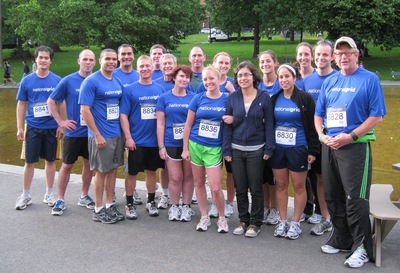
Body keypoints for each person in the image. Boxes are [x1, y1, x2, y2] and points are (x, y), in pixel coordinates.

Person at [315, 36, 386, 268]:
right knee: (332, 195)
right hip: (331, 146)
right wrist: (321, 135)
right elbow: (319, 114)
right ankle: (342, 238)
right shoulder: (331, 81)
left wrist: (352, 136)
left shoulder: (369, 79)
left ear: (357, 55)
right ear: (335, 58)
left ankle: (362, 247)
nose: (344, 57)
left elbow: (377, 116)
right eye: (340, 53)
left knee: (355, 199)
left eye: (349, 53)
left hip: (355, 147)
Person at [222, 61, 275, 237]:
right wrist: (226, 150)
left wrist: (269, 148)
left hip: (257, 149)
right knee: (240, 187)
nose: (243, 78)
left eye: (247, 74)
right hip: (236, 149)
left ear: (254, 77)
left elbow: (269, 125)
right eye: (240, 75)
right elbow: (227, 124)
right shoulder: (233, 98)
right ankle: (243, 221)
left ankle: (255, 223)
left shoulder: (264, 97)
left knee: (256, 187)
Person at [270, 64, 319, 240]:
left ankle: (296, 223)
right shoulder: (275, 99)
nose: (284, 80)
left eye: (287, 76)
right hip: (279, 149)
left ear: (294, 78)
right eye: (281, 77)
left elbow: (314, 126)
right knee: (281, 185)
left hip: (298, 148)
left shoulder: (305, 98)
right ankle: (283, 221)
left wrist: (313, 150)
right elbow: (270, 124)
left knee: (299, 186)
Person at [47, 49, 96, 216]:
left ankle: (84, 195)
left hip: (91, 132)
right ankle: (60, 198)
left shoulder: (97, 80)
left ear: (95, 63)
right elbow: (51, 101)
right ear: (78, 61)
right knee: (67, 165)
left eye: (91, 60)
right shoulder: (68, 81)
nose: (88, 62)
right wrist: (61, 121)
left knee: (89, 164)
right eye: (85, 59)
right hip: (74, 132)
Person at [78, 48, 125, 224]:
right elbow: (84, 110)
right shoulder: (91, 82)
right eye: (108, 59)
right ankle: (98, 208)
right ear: (100, 60)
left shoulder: (117, 81)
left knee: (113, 170)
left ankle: (109, 204)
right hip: (100, 136)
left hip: (116, 134)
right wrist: (97, 134)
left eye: (114, 59)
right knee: (101, 172)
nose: (111, 62)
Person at [181, 65, 229, 233]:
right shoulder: (198, 98)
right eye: (205, 79)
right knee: (199, 182)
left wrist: (232, 119)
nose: (208, 82)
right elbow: (188, 125)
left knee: (215, 186)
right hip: (195, 144)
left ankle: (222, 217)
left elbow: (235, 119)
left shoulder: (228, 98)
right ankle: (204, 216)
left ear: (218, 79)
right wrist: (185, 148)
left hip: (214, 148)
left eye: (211, 78)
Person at [15, 46, 62, 210]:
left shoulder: (57, 80)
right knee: (30, 162)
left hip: (51, 127)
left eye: (46, 58)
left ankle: (49, 193)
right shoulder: (27, 81)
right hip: (33, 127)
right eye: (40, 57)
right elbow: (21, 104)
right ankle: (26, 195)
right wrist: (20, 127)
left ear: (51, 60)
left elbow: (61, 103)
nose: (43, 60)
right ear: (35, 60)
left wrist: (62, 124)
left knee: (50, 161)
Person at [120, 55, 165, 219]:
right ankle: (129, 203)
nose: (145, 69)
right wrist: (128, 137)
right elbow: (123, 115)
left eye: (148, 66)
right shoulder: (129, 89)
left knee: (151, 171)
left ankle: (151, 201)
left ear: (153, 67)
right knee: (132, 173)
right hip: (136, 141)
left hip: (154, 141)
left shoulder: (160, 89)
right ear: (137, 69)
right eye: (142, 66)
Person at [196, 52, 238, 219]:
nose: (224, 66)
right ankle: (215, 203)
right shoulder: (205, 83)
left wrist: (232, 90)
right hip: (208, 140)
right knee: (212, 176)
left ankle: (228, 203)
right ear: (214, 63)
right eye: (221, 62)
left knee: (230, 173)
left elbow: (241, 107)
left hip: (228, 138)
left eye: (227, 63)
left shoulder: (232, 84)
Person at [302, 40, 337, 234]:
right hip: (315, 138)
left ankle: (341, 217)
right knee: (319, 179)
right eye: (318, 55)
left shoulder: (339, 78)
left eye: (325, 55)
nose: (321, 58)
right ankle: (326, 218)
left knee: (338, 180)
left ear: (332, 57)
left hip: (337, 138)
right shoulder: (307, 81)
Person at [156, 65, 196, 221]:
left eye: (187, 77)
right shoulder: (164, 98)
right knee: (175, 178)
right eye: (181, 76)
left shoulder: (193, 97)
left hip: (189, 143)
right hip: (171, 142)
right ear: (174, 78)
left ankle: (186, 206)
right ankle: (174, 206)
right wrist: (161, 146)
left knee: (188, 177)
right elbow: (160, 124)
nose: (184, 79)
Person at [113, 44, 142, 206]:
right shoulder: (112, 75)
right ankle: (111, 192)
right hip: (114, 126)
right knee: (114, 161)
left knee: (132, 162)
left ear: (133, 56)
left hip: (134, 127)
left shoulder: (138, 75)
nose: (126, 57)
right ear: (118, 57)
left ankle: (132, 190)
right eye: (123, 54)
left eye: (129, 53)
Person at [257, 50, 281, 225]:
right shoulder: (257, 85)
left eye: (268, 61)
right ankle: (266, 207)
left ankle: (276, 209)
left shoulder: (282, 83)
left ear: (275, 63)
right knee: (262, 177)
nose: (265, 64)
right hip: (259, 136)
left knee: (274, 178)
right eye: (262, 62)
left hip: (277, 136)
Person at [154, 53, 178, 209]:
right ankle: (165, 194)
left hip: (181, 134)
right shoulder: (156, 84)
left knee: (180, 167)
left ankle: (181, 194)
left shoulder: (183, 82)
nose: (168, 66)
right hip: (164, 132)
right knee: (164, 167)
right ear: (160, 66)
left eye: (170, 63)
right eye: (165, 64)